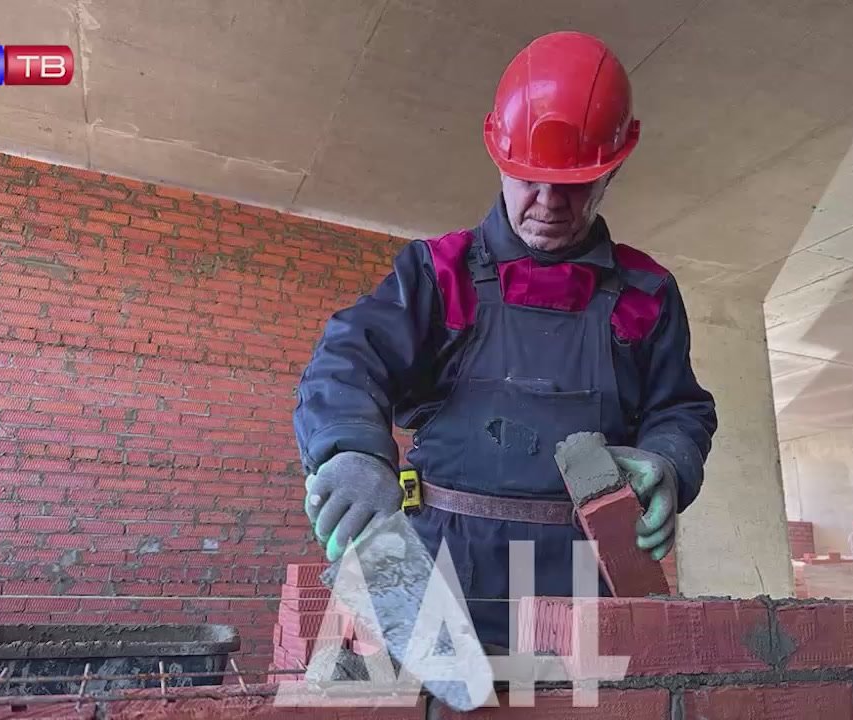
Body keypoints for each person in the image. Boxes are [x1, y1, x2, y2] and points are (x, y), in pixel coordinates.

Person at [293, 31, 718, 649]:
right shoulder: (439, 272)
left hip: (585, 582)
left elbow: (680, 407)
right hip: (430, 565)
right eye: (528, 179)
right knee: (385, 701)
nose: (547, 204)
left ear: (612, 169)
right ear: (499, 159)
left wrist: (671, 461)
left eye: (572, 184)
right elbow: (347, 360)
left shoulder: (645, 294)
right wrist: (350, 449)